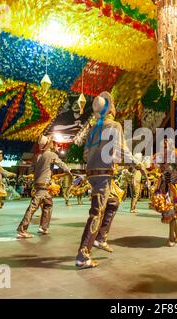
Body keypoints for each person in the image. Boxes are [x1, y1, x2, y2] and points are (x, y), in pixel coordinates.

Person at [75, 91, 144, 269]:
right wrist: (138, 164)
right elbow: (122, 151)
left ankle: (100, 237)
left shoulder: (92, 129)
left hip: (93, 172)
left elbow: (85, 154)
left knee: (114, 200)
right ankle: (83, 254)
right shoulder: (114, 125)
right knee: (96, 212)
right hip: (104, 174)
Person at [17, 135, 72, 238]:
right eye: (51, 142)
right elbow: (61, 164)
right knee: (33, 207)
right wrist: (69, 171)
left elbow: (31, 170)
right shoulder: (51, 154)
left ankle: (43, 227)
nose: (53, 144)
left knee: (48, 204)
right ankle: (22, 229)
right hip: (44, 185)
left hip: (39, 184)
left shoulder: (37, 156)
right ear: (48, 144)